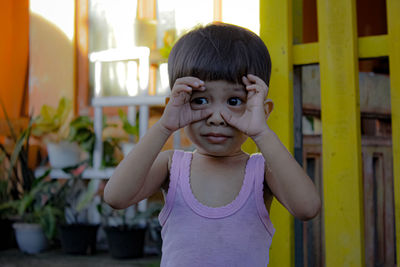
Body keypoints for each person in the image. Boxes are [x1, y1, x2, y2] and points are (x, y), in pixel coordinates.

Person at [104, 22, 321, 266]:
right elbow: (116, 197)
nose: (217, 117)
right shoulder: (172, 165)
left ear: (263, 110)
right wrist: (164, 126)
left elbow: (308, 208)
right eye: (200, 100)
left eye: (235, 100)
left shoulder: (261, 170)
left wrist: (262, 132)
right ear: (176, 104)